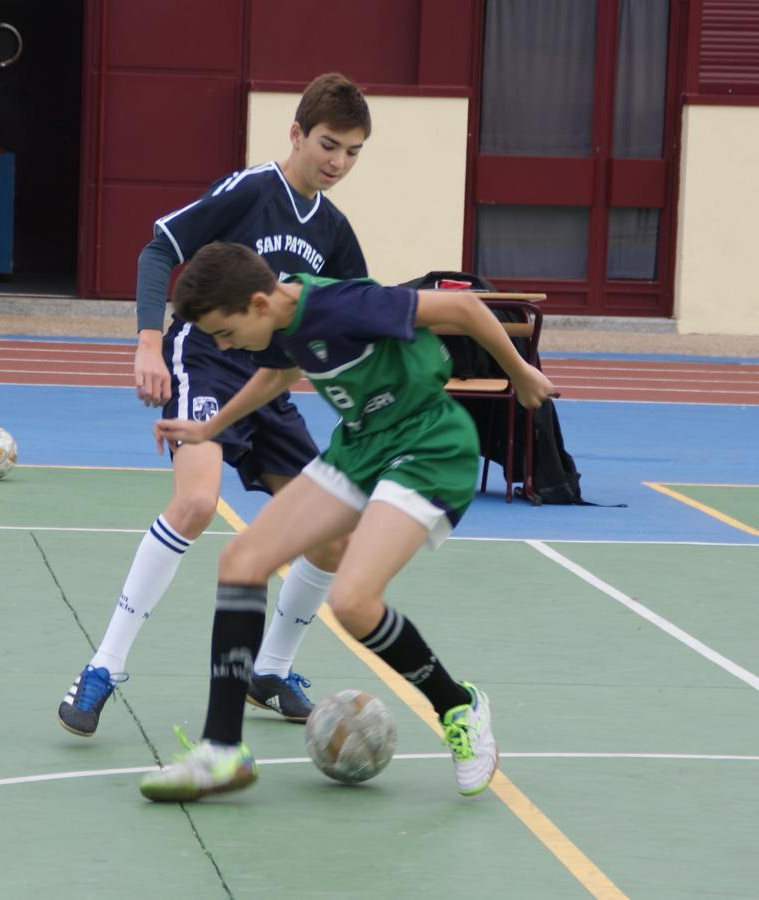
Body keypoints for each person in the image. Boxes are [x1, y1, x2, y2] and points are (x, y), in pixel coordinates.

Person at [138, 242, 557, 802]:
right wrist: (209, 429)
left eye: (225, 332)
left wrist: (522, 373)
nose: (222, 345)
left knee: (355, 603)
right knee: (241, 560)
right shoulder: (275, 319)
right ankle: (221, 751)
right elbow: (276, 373)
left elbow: (464, 310)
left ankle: (458, 705)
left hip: (428, 445)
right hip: (360, 447)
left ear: (260, 304)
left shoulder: (345, 305)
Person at [58, 73, 372, 737]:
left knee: (337, 534)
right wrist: (148, 342)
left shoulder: (337, 233)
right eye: (328, 144)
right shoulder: (252, 190)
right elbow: (157, 249)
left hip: (270, 379)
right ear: (295, 133)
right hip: (203, 357)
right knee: (197, 503)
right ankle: (104, 665)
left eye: (352, 151)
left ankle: (270, 669)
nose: (338, 161)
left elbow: (351, 317)